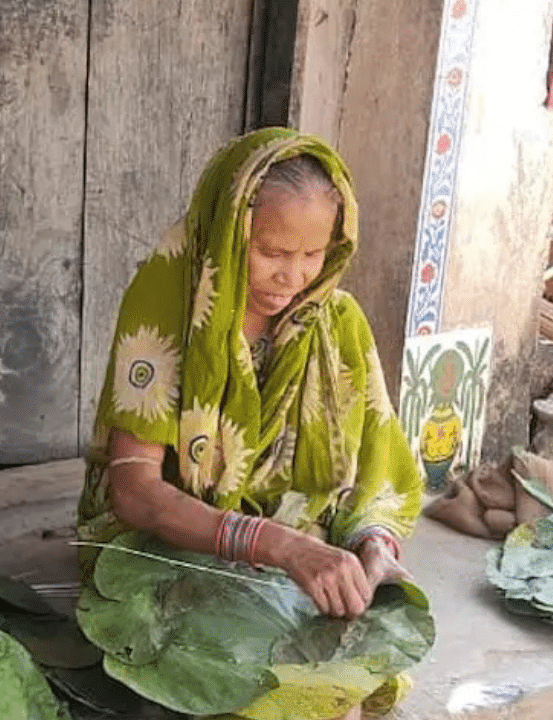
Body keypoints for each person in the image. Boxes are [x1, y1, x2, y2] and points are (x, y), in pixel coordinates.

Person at [76, 127, 424, 719]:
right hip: (171, 545)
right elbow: (135, 492)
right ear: (228, 233)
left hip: (296, 542)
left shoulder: (337, 324)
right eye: (271, 253)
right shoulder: (169, 304)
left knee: (350, 677)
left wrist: (373, 546)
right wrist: (276, 546)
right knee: (228, 676)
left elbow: (379, 465)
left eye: (313, 255)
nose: (292, 278)